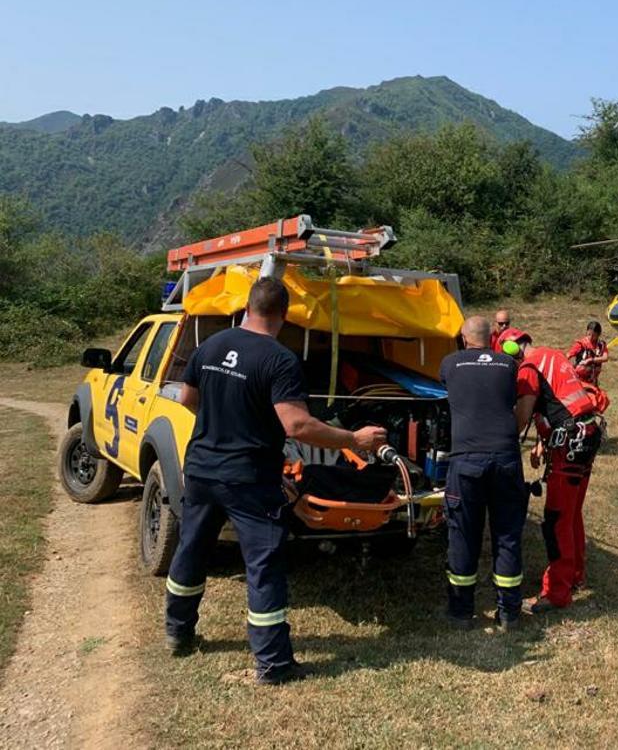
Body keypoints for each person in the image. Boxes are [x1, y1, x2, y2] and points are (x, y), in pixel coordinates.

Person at [165, 277, 387, 684]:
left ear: (247, 307)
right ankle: (274, 663)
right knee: (263, 565)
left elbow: (187, 400)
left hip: (200, 469)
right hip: (248, 478)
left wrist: (223, 427)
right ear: (285, 315)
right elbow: (298, 425)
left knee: (192, 549)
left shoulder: (210, 346)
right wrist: (355, 440)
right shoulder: (278, 359)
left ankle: (178, 633)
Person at [501, 328, 602, 612]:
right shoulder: (554, 356)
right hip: (586, 435)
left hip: (569, 444)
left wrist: (499, 433)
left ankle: (557, 592)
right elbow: (560, 402)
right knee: (571, 514)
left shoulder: (529, 368)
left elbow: (522, 416)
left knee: (556, 518)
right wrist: (543, 443)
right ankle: (575, 575)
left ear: (511, 349)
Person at [439, 315, 527, 630]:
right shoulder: (508, 365)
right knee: (507, 534)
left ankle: (462, 612)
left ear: (464, 339)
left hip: (466, 459)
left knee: (463, 534)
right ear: (492, 338)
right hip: (506, 457)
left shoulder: (450, 363)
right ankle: (509, 613)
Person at [567, 321, 609, 386]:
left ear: (598, 334)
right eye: (589, 334)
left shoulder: (601, 345)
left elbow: (605, 358)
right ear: (586, 332)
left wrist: (590, 360)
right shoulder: (581, 344)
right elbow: (568, 355)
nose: (591, 337)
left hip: (593, 381)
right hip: (579, 382)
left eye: (594, 335)